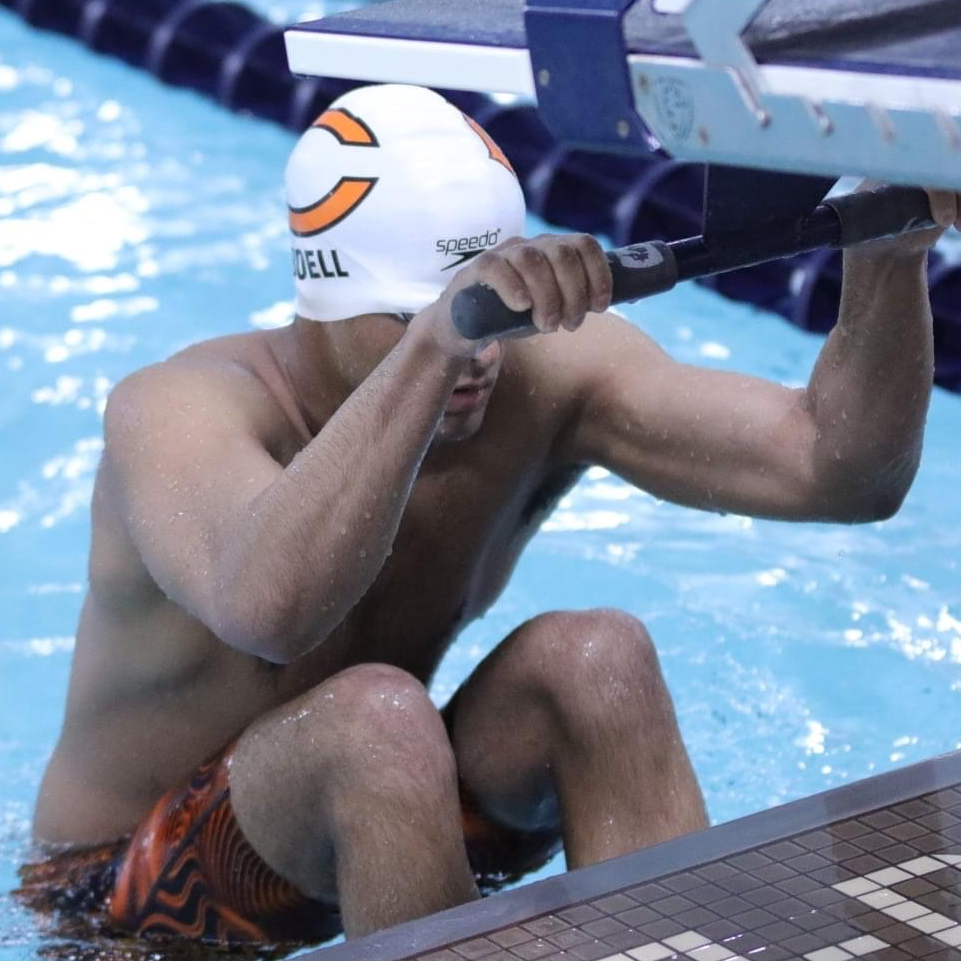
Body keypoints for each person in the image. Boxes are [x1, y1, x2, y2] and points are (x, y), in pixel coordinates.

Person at [17, 83, 959, 951]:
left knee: (596, 659)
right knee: (376, 721)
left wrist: (886, 253)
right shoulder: (178, 409)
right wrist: (436, 341)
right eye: (409, 320)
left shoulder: (546, 380)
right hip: (127, 901)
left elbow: (837, 472)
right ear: (325, 293)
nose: (477, 358)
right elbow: (271, 612)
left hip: (385, 825)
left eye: (490, 314)